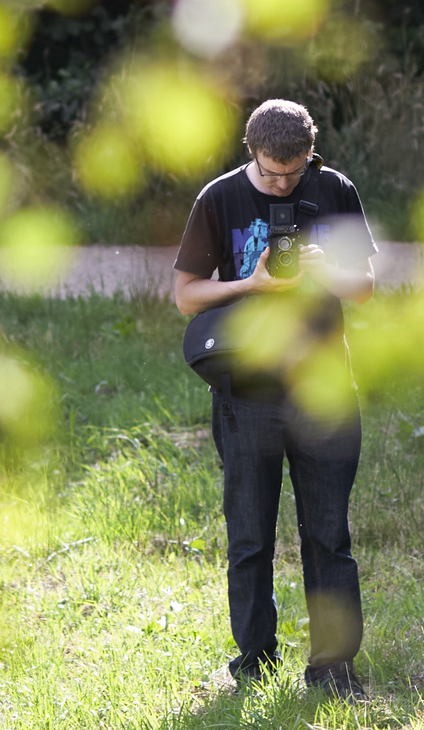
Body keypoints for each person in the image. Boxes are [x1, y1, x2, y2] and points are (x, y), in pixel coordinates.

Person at [172, 98, 377, 700]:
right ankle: (253, 665)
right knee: (251, 536)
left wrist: (323, 273)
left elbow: (364, 288)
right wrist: (254, 284)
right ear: (251, 151)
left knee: (329, 535)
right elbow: (186, 296)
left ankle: (334, 671)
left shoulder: (334, 189)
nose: (283, 182)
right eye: (271, 171)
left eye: (295, 170)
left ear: (311, 153)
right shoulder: (219, 198)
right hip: (249, 390)